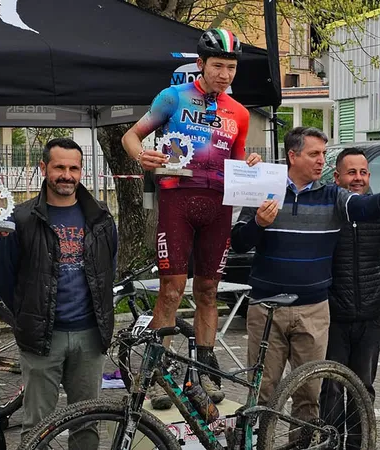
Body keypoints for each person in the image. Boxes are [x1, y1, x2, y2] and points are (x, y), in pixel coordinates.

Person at [231, 126, 380, 425]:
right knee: (262, 394)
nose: (321, 160)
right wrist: (258, 223)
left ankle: (302, 444)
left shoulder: (332, 195)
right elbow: (239, 242)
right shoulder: (263, 188)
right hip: (266, 308)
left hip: (313, 310)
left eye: (323, 153)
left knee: (309, 397)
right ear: (292, 156)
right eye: (314, 154)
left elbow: (361, 205)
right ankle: (260, 443)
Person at [120, 27, 261, 408]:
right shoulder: (173, 97)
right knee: (171, 288)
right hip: (177, 199)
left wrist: (251, 165)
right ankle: (156, 371)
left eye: (231, 68)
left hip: (218, 206)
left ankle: (203, 370)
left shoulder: (239, 113)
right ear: (200, 64)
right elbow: (131, 136)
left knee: (208, 290)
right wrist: (141, 156)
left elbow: (237, 164)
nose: (225, 75)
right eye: (218, 66)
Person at [0, 138, 118, 445]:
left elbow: (108, 270)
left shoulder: (101, 218)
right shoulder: (21, 219)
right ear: (43, 168)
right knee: (37, 427)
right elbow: (3, 280)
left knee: (87, 424)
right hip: (41, 339)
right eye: (59, 167)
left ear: (81, 171)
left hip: (90, 337)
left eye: (73, 168)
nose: (66, 175)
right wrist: (29, 315)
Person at [320, 147, 380, 448]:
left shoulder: (379, 212)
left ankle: (359, 445)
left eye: (363, 172)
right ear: (337, 177)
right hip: (334, 317)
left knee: (363, 389)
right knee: (332, 388)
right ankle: (330, 443)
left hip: (371, 316)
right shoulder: (328, 212)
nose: (358, 178)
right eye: (351, 172)